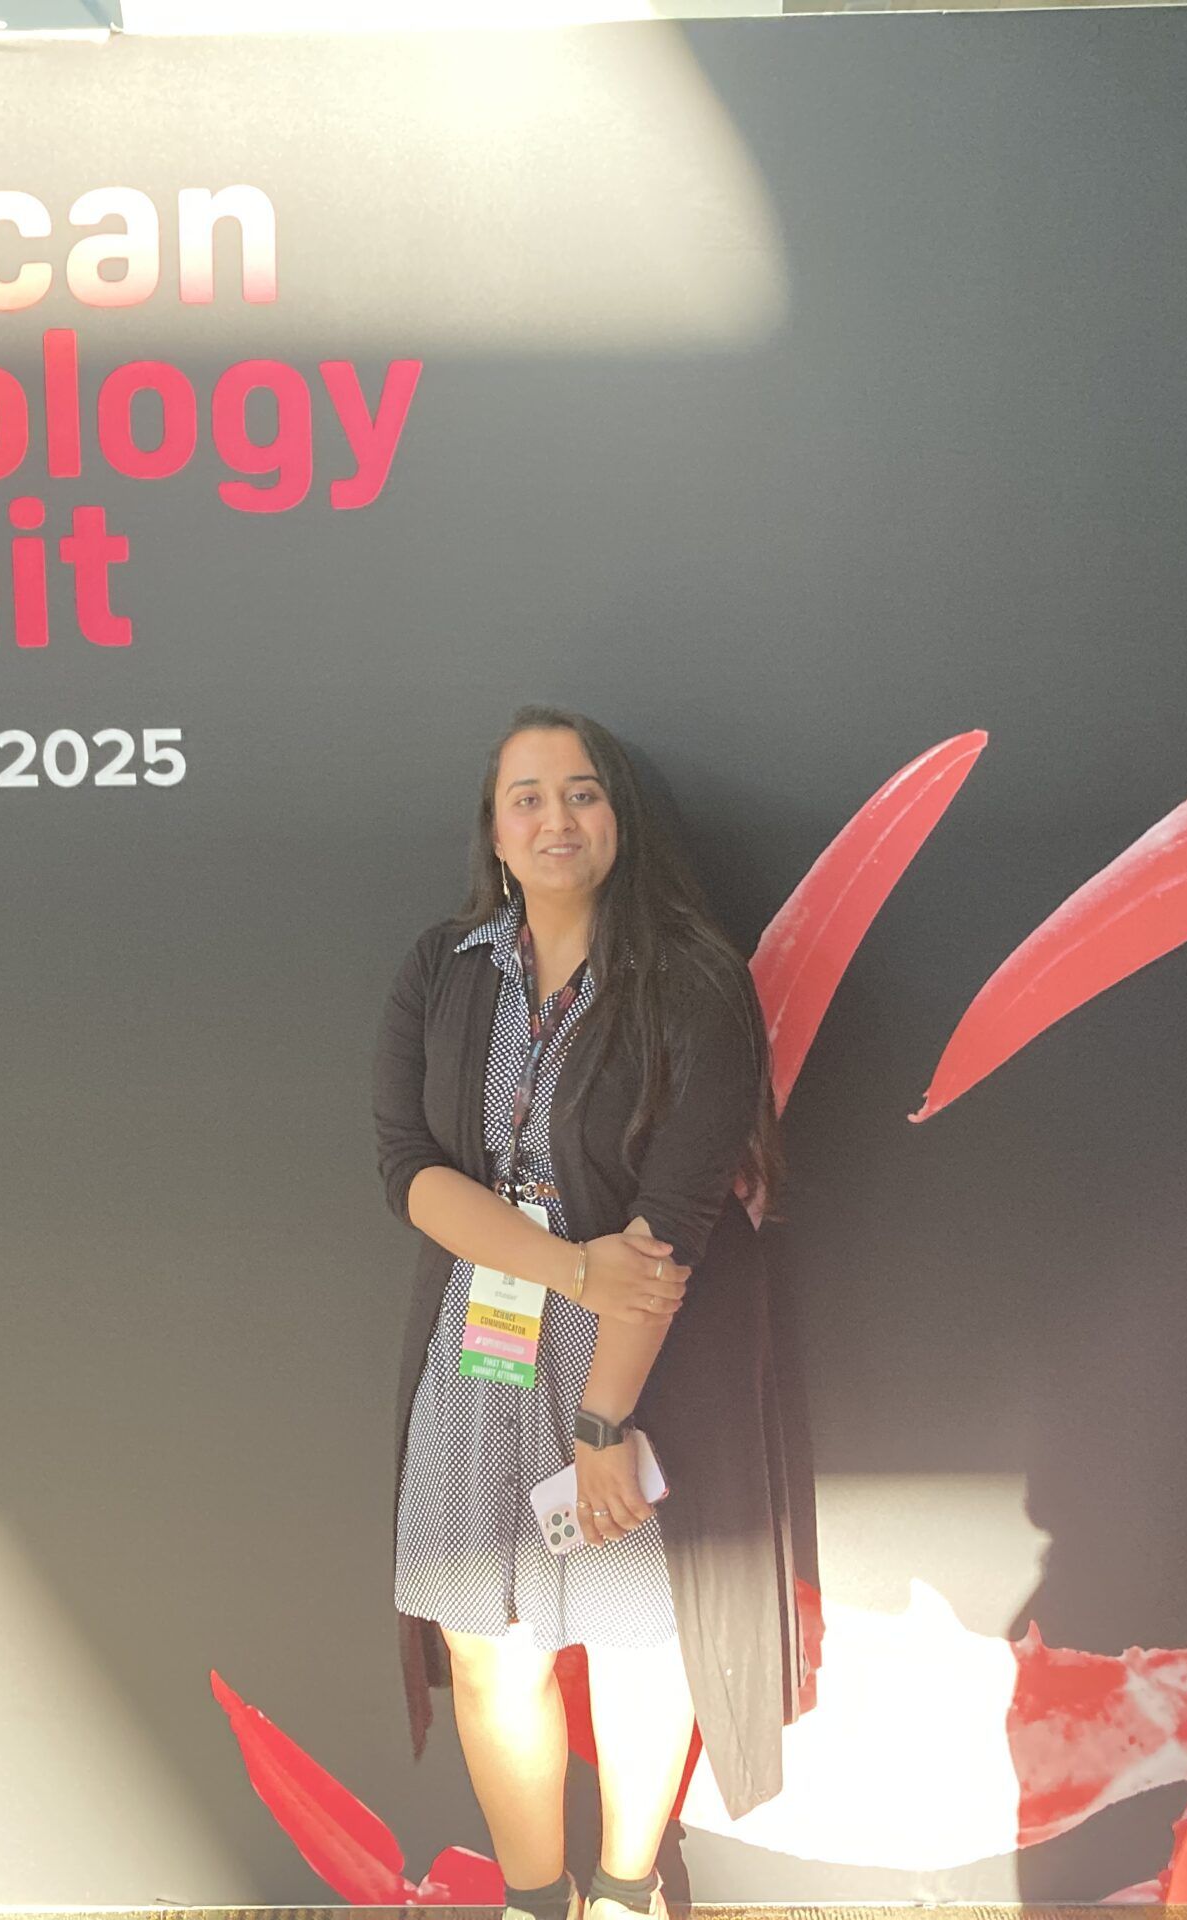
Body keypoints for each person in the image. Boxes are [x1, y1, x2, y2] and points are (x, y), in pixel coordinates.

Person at [374, 706, 814, 1920]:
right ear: (495, 831)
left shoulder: (693, 982)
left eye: (581, 793)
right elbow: (408, 1167)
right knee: (487, 1645)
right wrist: (568, 1269)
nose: (554, 819)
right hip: (485, 1343)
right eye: (527, 797)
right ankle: (532, 1899)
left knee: (633, 1640)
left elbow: (671, 1224)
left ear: (618, 817)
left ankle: (625, 1891)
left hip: (640, 1359)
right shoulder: (442, 970)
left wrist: (604, 1423)